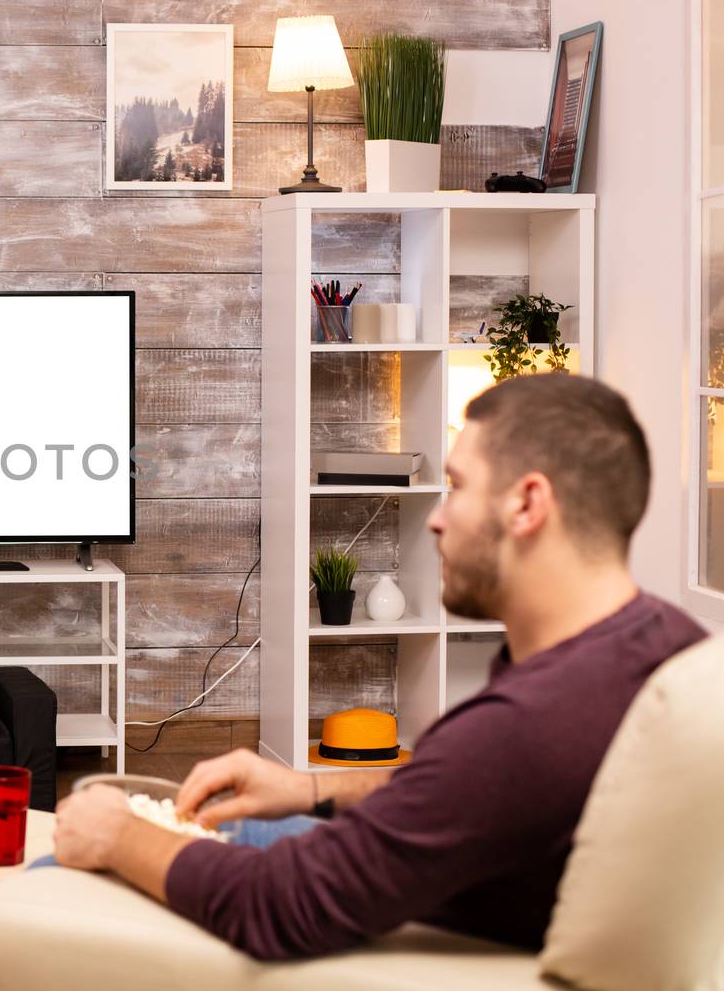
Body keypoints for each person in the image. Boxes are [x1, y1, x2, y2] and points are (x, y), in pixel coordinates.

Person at [52, 374, 708, 960]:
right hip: (447, 880)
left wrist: (119, 836)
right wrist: (309, 790)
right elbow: (464, 797)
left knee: (59, 873)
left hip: (386, 930)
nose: (438, 521)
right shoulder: (669, 643)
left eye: (457, 487)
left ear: (527, 503)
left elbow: (276, 905)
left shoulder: (527, 727)